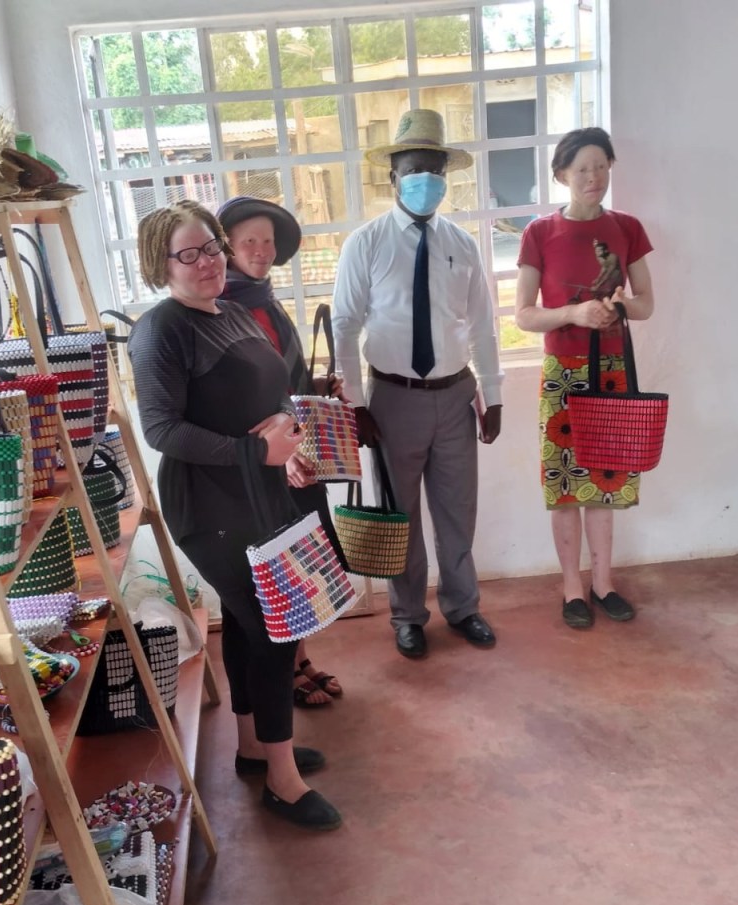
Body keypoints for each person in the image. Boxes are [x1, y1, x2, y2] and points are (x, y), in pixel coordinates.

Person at [127, 200, 341, 830]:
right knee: (275, 627)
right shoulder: (161, 330)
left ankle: (254, 749)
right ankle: (282, 779)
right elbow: (162, 429)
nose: (208, 263)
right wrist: (254, 451)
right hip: (209, 503)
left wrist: (289, 438)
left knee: (252, 627)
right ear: (161, 264)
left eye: (212, 248)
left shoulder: (234, 312)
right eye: (189, 254)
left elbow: (275, 393)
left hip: (260, 492)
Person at [332, 109, 504, 660]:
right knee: (399, 515)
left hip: (455, 396)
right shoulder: (366, 243)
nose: (426, 180)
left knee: (457, 511)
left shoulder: (462, 244)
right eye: (414, 170)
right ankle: (407, 616)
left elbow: (482, 325)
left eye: (435, 170)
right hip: (393, 400)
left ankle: (463, 606)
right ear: (393, 177)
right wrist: (355, 404)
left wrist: (494, 396)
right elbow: (344, 325)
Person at [514, 126, 655, 629]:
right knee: (563, 485)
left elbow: (646, 303)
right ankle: (572, 586)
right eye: (581, 170)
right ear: (561, 175)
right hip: (562, 374)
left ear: (610, 167)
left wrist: (619, 306)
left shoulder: (627, 228)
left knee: (604, 484)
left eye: (600, 166)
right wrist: (573, 314)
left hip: (612, 371)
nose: (593, 177)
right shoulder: (539, 233)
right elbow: (524, 315)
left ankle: (603, 583)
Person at [216, 195, 346, 709]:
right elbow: (236, 398)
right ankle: (283, 671)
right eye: (248, 240)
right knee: (277, 571)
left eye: (268, 241)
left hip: (295, 452)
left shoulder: (265, 302)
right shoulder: (222, 309)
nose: (261, 250)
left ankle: (298, 659)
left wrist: (319, 387)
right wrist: (278, 452)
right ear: (226, 247)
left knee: (300, 563)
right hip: (261, 462)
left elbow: (281, 381)